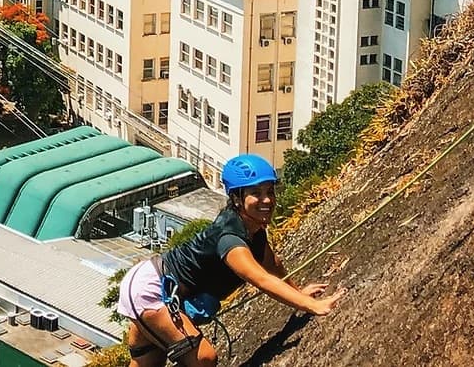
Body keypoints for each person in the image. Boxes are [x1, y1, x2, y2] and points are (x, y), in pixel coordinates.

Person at [116, 154, 343, 366]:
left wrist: (299, 292)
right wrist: (312, 305)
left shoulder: (253, 230)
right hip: (150, 290)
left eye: (270, 191)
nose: (267, 200)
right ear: (236, 197)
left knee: (149, 362)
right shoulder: (230, 240)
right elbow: (261, 279)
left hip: (157, 282)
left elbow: (272, 265)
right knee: (204, 359)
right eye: (256, 193)